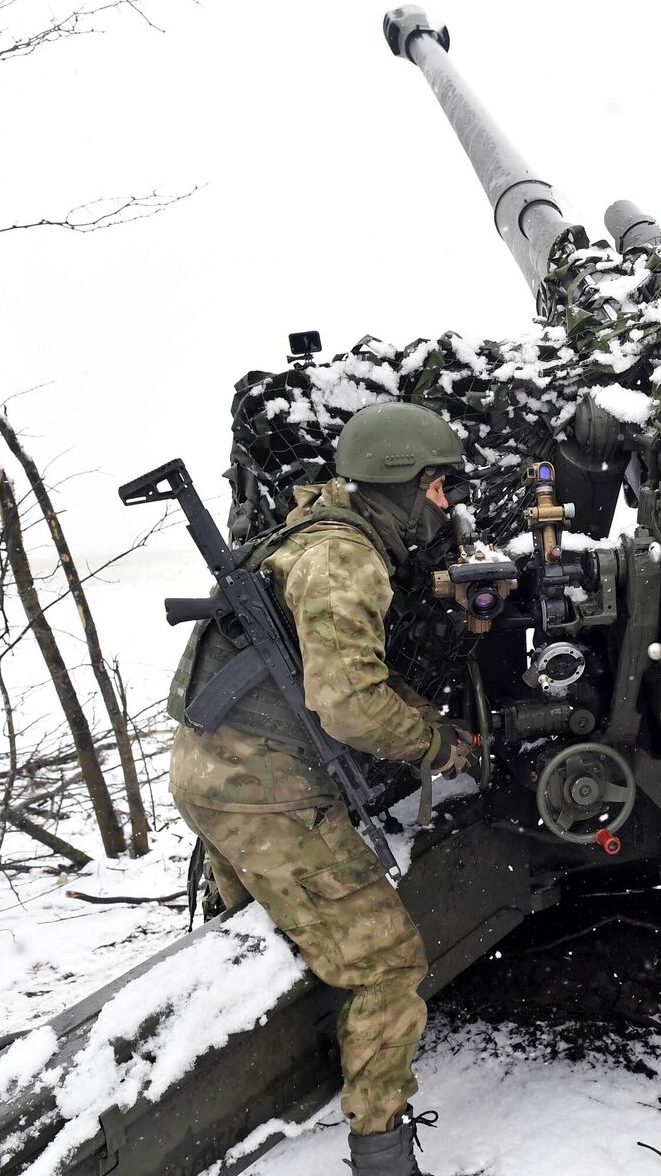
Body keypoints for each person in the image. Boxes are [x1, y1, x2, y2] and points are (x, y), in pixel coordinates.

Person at [166, 402, 475, 1176]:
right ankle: (382, 1157)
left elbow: (346, 674)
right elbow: (347, 703)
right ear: (402, 484)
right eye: (438, 487)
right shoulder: (346, 559)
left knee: (269, 939)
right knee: (385, 962)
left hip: (213, 770)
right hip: (261, 791)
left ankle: (260, 1085)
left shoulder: (316, 528)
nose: (446, 503)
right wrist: (438, 744)